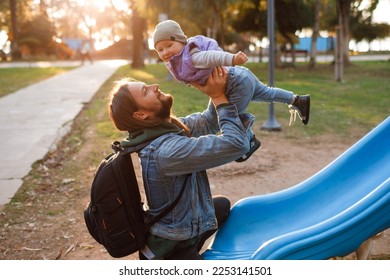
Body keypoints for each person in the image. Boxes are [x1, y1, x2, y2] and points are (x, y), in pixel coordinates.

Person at [108, 67, 253, 260]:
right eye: (145, 91)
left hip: (184, 229)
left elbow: (208, 121)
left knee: (222, 205)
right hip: (173, 250)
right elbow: (236, 144)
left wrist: (216, 89)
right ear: (141, 115)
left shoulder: (162, 129)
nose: (155, 86)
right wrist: (219, 99)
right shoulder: (166, 151)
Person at [152, 20, 311, 160]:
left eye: (169, 45)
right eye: (160, 49)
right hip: (241, 77)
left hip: (234, 84)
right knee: (267, 93)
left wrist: (233, 59)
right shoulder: (179, 61)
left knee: (229, 117)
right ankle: (297, 100)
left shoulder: (192, 57)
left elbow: (212, 56)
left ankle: (249, 139)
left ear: (180, 41)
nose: (165, 52)